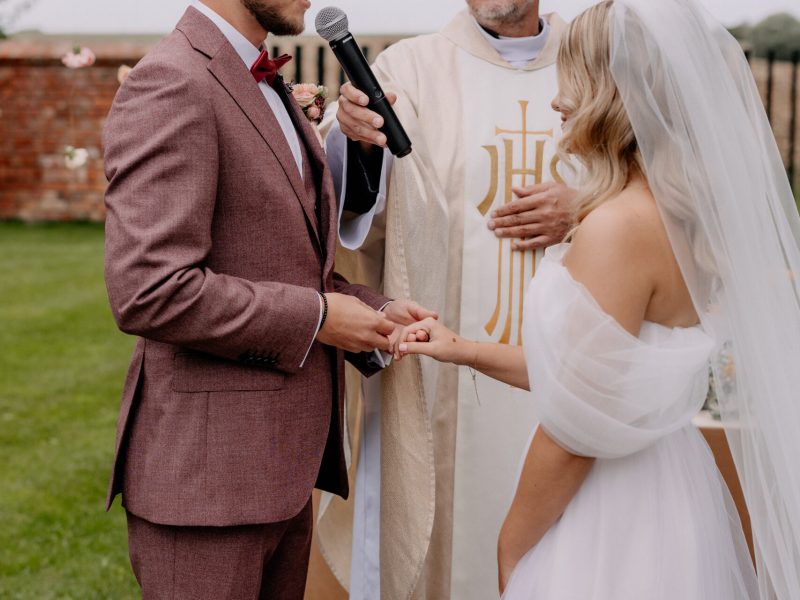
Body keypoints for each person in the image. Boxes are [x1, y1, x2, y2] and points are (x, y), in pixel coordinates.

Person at [395, 0, 800, 598]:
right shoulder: (685, 219)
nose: (558, 99)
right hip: (671, 485)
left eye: (573, 77)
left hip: (610, 509)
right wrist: (462, 349)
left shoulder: (619, 227)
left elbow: (575, 431)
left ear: (613, 93)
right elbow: (598, 376)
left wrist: (513, 542)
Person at [102, 0, 434, 597]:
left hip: (282, 470)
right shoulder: (173, 80)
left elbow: (283, 261)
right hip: (204, 489)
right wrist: (322, 319)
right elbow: (149, 289)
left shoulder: (261, 79)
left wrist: (372, 312)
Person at [317, 2, 577, 598]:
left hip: (572, 364)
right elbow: (355, 212)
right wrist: (360, 148)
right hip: (438, 370)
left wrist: (584, 204)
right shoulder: (409, 68)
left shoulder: (597, 65)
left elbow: (661, 185)